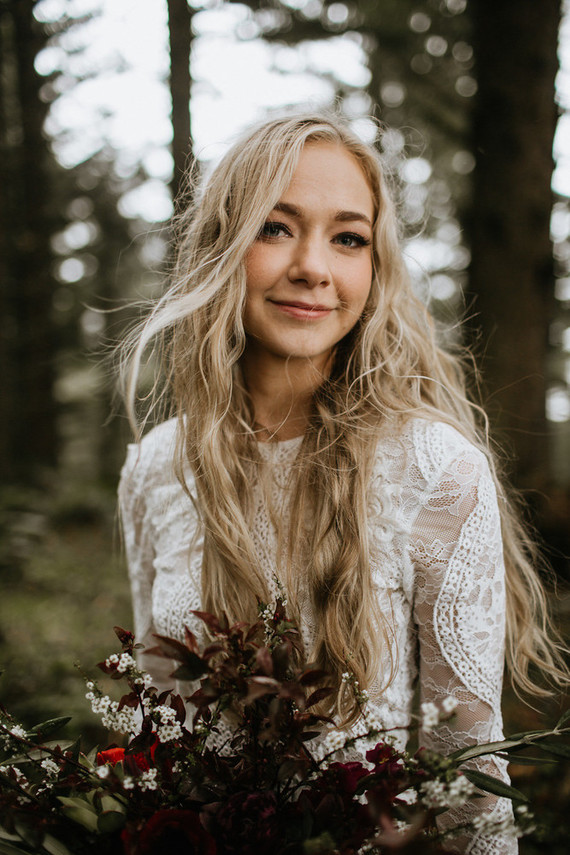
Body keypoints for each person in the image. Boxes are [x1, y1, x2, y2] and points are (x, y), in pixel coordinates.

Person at [118, 112, 568, 854]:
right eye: (276, 227)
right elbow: (161, 716)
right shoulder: (157, 466)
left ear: (376, 268)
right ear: (220, 249)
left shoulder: (433, 468)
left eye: (348, 237)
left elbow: (469, 769)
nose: (314, 268)